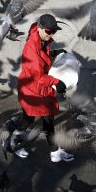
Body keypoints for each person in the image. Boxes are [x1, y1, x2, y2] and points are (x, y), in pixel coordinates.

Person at [16, 14, 73, 163]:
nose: (52, 34)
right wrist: (57, 82)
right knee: (29, 119)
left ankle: (55, 151)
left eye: (54, 31)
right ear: (40, 28)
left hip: (39, 89)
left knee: (47, 122)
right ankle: (15, 142)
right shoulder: (31, 47)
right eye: (49, 31)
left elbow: (42, 57)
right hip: (33, 91)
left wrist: (54, 53)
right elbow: (37, 76)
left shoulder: (40, 40)